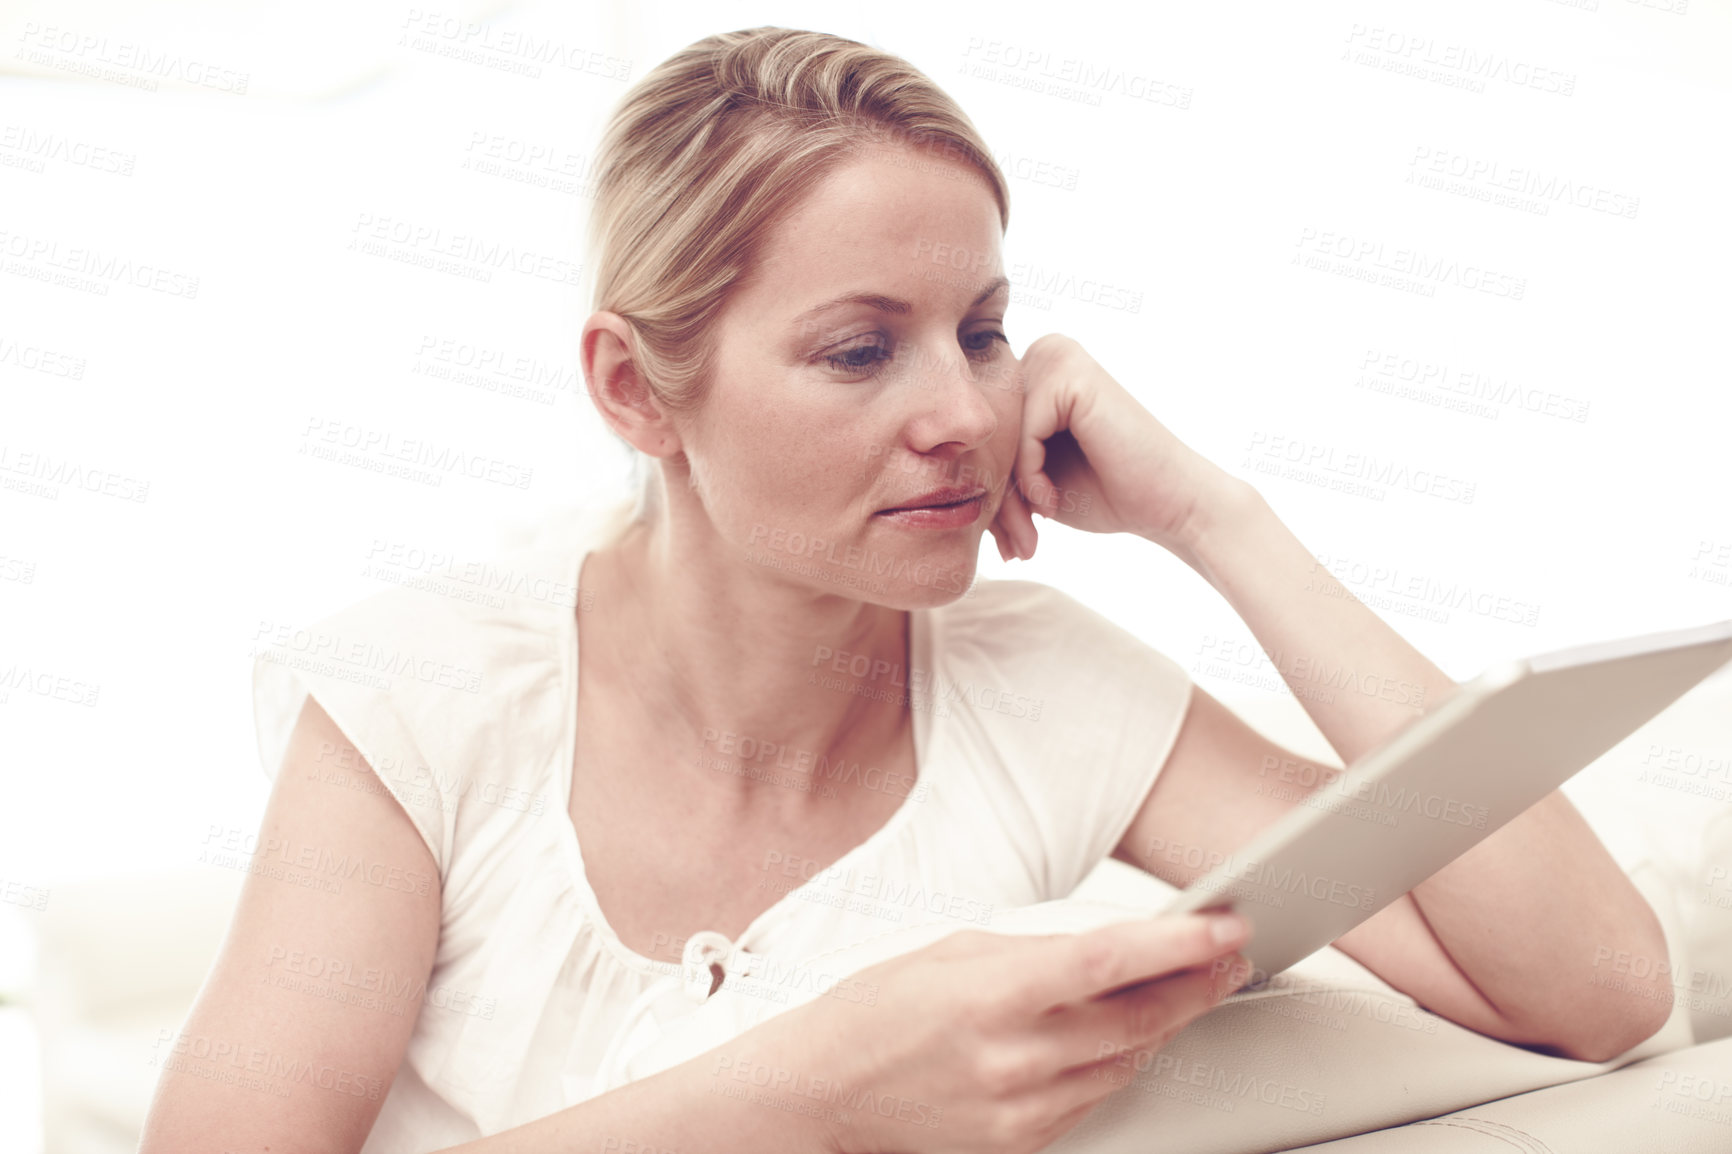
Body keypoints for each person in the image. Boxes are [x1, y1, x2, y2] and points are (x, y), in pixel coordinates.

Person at [138, 26, 1673, 1154]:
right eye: (861, 348)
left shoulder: (1043, 687)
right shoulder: (426, 701)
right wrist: (817, 1083)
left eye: (984, 330)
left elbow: (1597, 989)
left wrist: (1220, 519)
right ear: (634, 388)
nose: (963, 412)